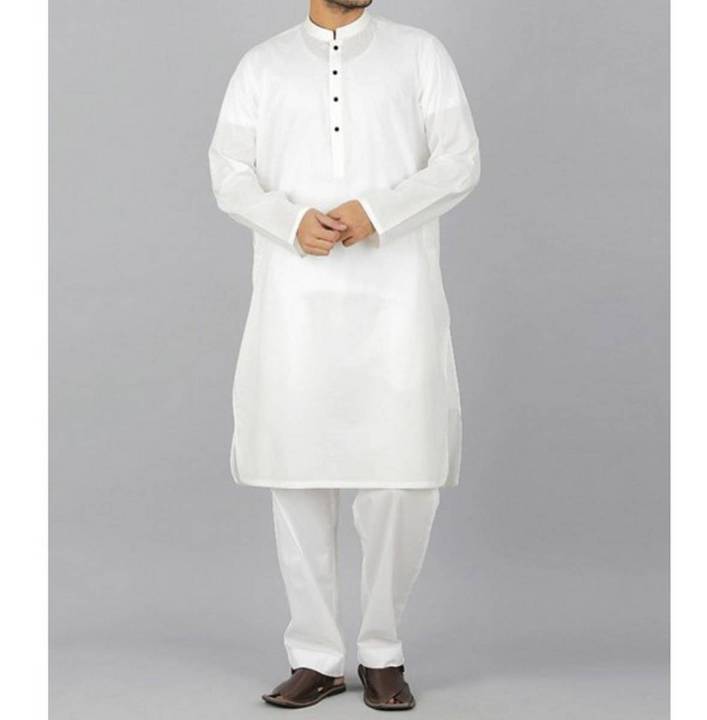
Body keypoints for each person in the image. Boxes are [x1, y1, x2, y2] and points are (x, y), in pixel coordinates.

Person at [208, 0, 480, 710]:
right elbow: (229, 172)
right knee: (297, 474)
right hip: (296, 301)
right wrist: (288, 220)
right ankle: (317, 656)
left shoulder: (419, 54)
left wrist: (380, 211)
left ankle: (382, 650)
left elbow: (460, 160)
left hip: (397, 299)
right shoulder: (263, 65)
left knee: (401, 478)